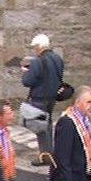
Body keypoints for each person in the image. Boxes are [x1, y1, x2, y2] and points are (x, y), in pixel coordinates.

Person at [23, 34, 64, 165]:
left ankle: (45, 156)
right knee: (48, 125)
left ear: (40, 47)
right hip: (52, 97)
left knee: (40, 128)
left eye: (35, 47)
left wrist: (25, 71)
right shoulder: (57, 58)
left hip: (40, 98)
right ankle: (50, 152)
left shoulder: (37, 61)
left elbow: (27, 81)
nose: (35, 50)